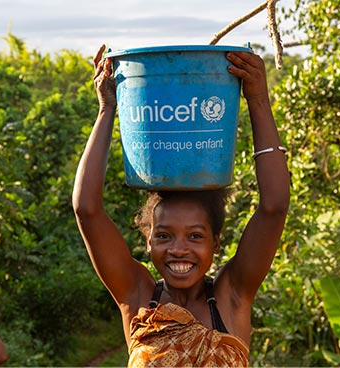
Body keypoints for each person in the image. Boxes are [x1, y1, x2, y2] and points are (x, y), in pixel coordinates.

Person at [72, 44, 290, 367]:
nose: (178, 249)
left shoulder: (232, 297)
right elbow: (86, 210)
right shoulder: (140, 298)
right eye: (164, 236)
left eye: (195, 236)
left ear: (216, 243)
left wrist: (257, 100)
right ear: (148, 242)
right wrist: (107, 110)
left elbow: (273, 207)